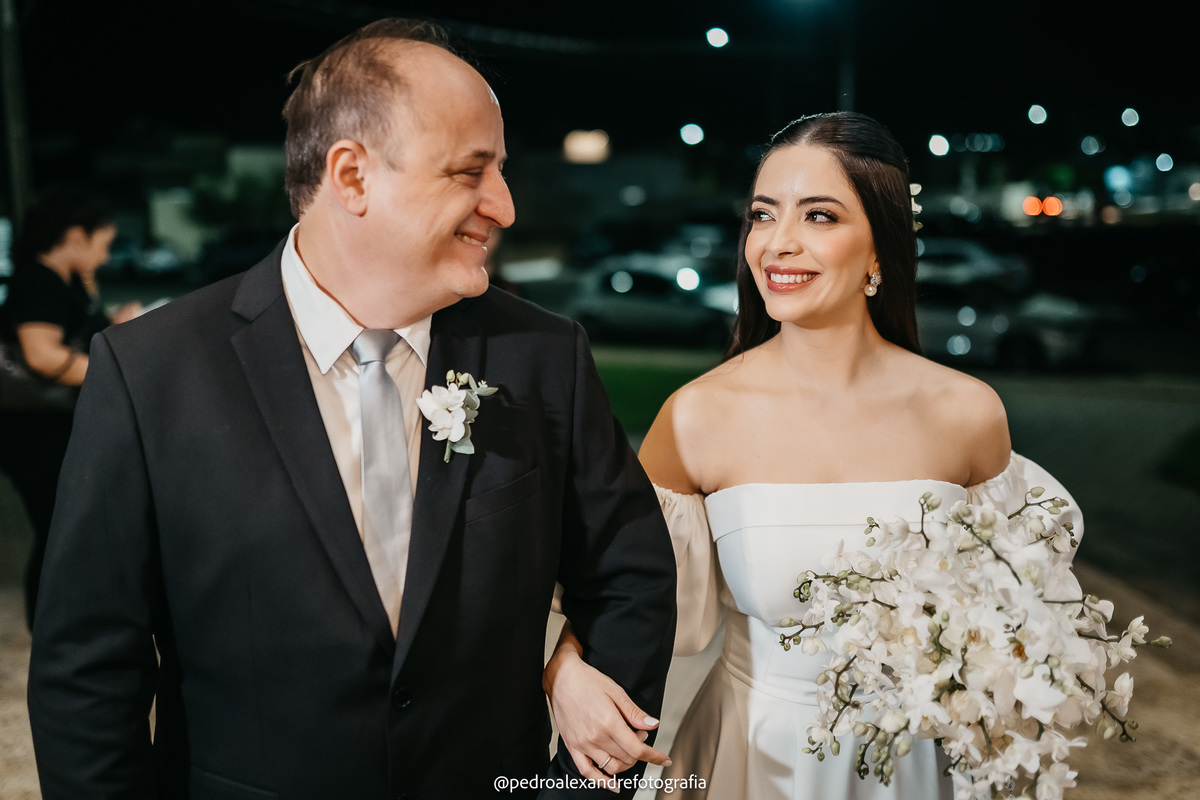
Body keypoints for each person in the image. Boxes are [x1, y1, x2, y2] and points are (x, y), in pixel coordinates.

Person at [27, 19, 676, 800]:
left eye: (499, 171)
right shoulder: (152, 373)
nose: (502, 206)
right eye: (469, 172)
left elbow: (631, 579)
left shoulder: (543, 356)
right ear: (353, 176)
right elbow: (88, 671)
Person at [543, 112, 1083, 799]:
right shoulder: (698, 416)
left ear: (881, 249)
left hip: (917, 764)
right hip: (756, 757)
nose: (778, 243)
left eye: (819, 216)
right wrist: (564, 671)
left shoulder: (967, 413)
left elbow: (1018, 615)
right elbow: (622, 589)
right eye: (763, 215)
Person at [0, 186, 139, 630]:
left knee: (63, 528)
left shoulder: (62, 281)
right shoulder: (39, 281)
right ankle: (52, 628)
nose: (104, 256)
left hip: (48, 427)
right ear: (76, 235)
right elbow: (41, 355)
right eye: (102, 244)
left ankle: (60, 626)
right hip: (36, 432)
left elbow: (75, 336)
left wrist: (112, 323)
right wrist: (117, 369)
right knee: (57, 530)